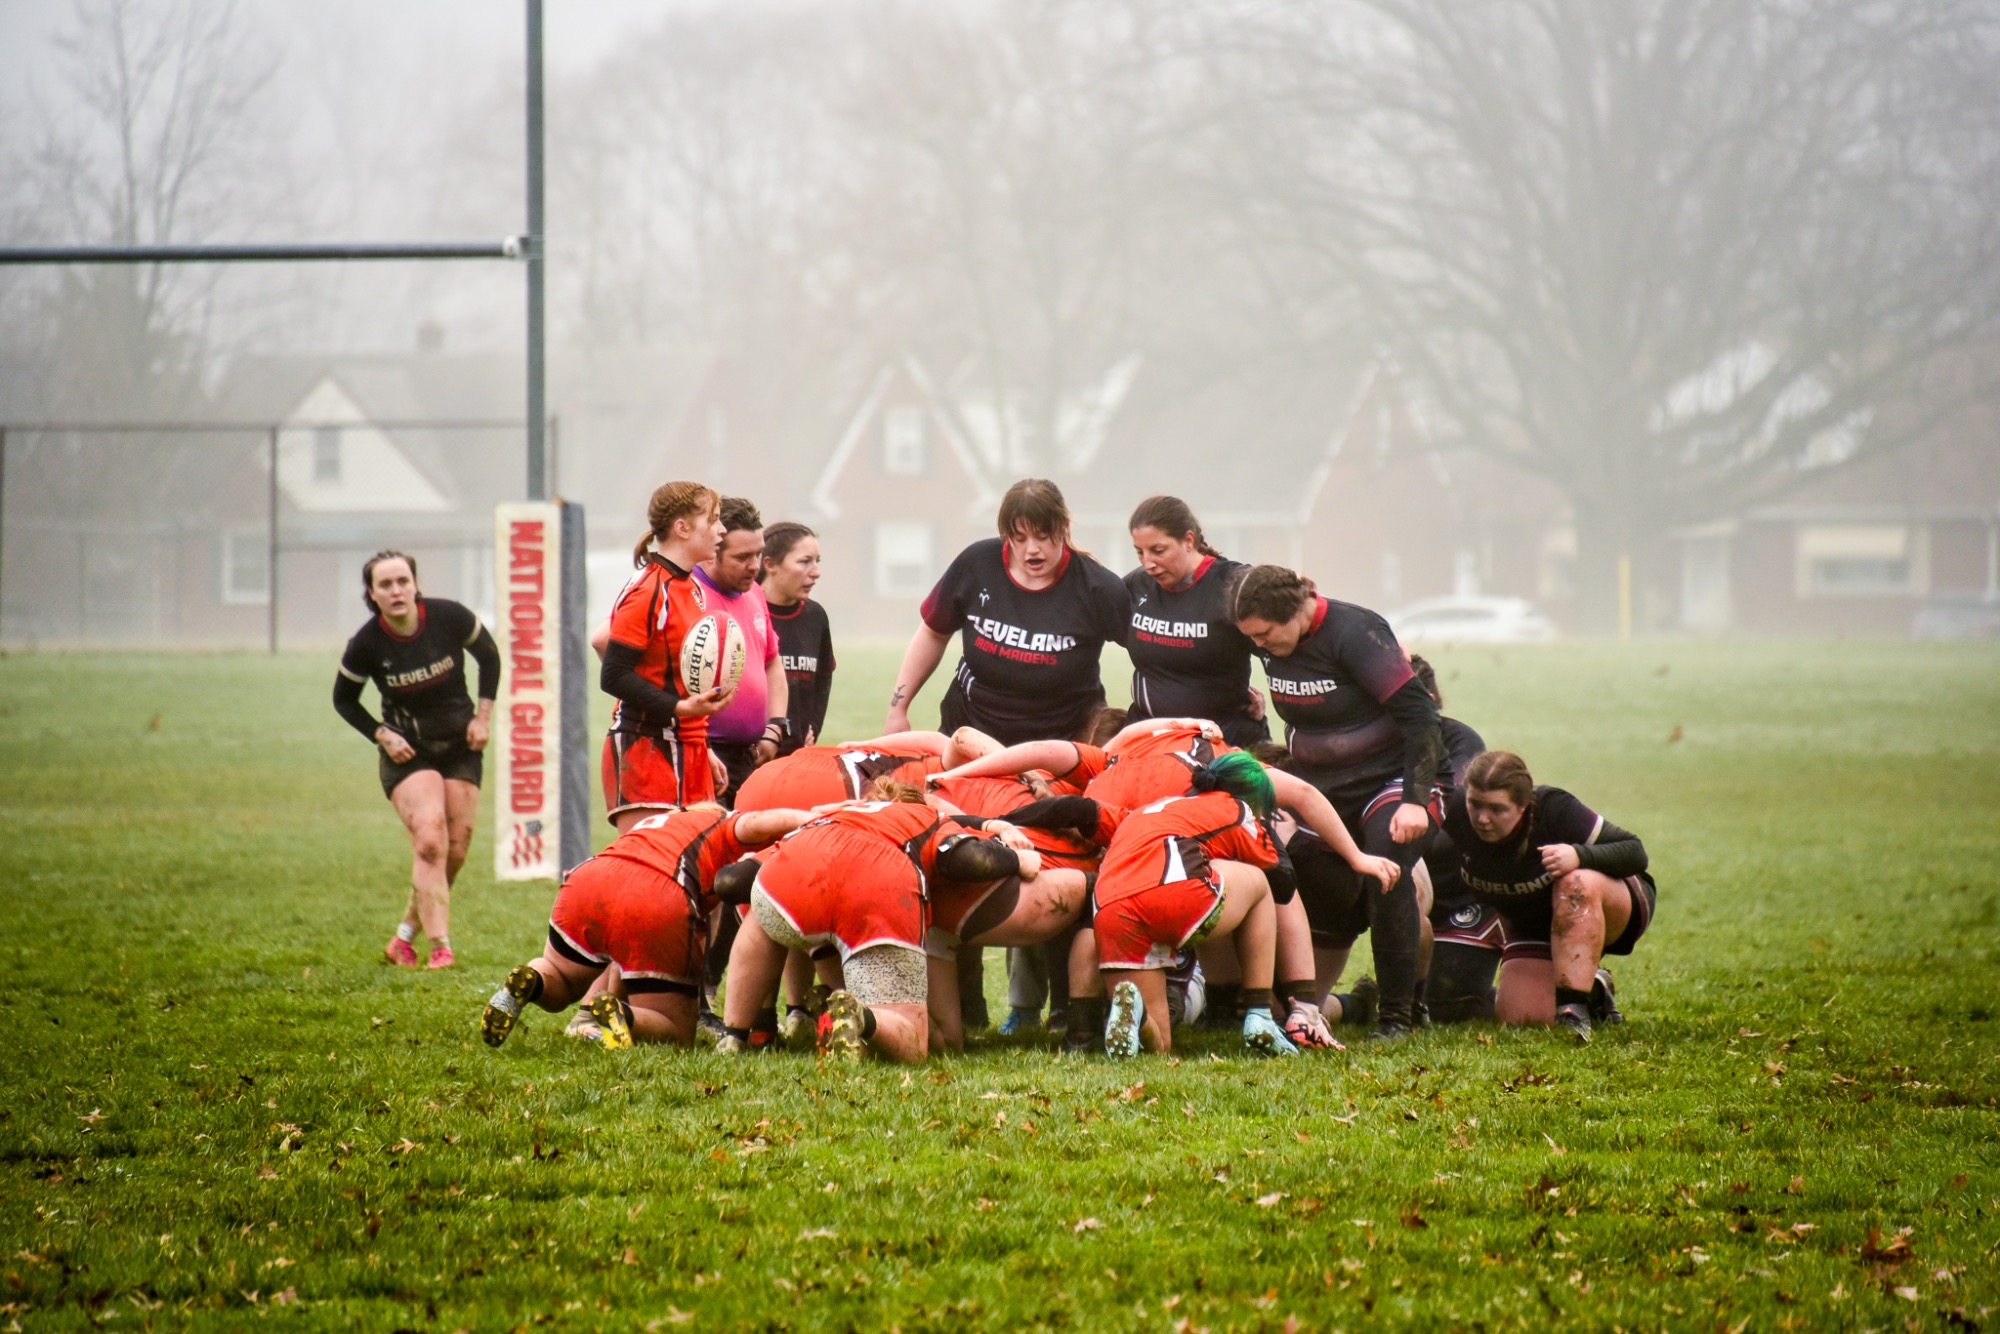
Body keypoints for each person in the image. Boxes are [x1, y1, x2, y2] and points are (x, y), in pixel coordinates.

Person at [1232, 565, 1443, 1040]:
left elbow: (1422, 718)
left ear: (1297, 611)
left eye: (1266, 635)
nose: (1261, 647)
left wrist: (1415, 799)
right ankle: (1299, 1002)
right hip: (1323, 783)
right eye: (1253, 639)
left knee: (1387, 869)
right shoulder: (1268, 635)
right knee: (1294, 866)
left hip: (1392, 780)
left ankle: (1397, 1017)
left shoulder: (1356, 632)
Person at [720, 782, 1028, 1063]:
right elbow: (970, 858)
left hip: (796, 867)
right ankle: (862, 1018)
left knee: (763, 913)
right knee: (918, 1040)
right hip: (877, 883)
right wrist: (1018, 860)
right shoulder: (926, 814)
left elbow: (732, 880)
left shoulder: (837, 812)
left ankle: (734, 1035)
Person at [479, 803, 814, 1048]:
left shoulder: (660, 821)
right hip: (657, 893)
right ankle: (622, 1016)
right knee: (677, 1029)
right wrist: (814, 819)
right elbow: (759, 820)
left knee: (561, 981)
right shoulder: (719, 820)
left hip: (589, 880)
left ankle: (529, 980)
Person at [332, 551, 498, 970]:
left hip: (460, 746)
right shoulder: (367, 643)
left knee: (453, 852)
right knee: (429, 841)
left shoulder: (449, 617)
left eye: (402, 581)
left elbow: (490, 657)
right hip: (409, 751)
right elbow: (343, 699)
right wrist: (382, 734)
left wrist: (482, 718)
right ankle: (441, 947)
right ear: (372, 594)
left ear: (415, 584)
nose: (396, 590)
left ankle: (404, 936)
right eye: (385, 585)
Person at [883, 477, 1129, 746]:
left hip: (1061, 742)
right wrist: (898, 710)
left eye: (1042, 536)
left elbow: (1148, 655)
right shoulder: (976, 566)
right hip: (971, 732)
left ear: (1064, 527)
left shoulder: (1098, 588)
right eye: (1019, 538)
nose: (1031, 549)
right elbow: (933, 633)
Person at [1439, 751, 1656, 1043]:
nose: (1482, 818)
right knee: (1522, 1019)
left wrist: (1579, 855)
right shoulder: (1454, 813)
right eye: (1475, 804)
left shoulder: (1554, 808)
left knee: (1576, 881)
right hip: (1536, 924)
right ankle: (1593, 989)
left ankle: (1574, 1011)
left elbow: (1635, 851)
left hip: (1613, 904)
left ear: (1524, 805)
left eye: (1497, 809)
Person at [600, 481, 733, 833]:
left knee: (697, 876)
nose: (721, 530)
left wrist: (703, 746)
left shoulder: (694, 587)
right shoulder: (649, 590)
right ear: (683, 528)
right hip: (645, 750)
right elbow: (612, 675)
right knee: (649, 875)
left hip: (690, 749)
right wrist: (678, 709)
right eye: (714, 519)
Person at [1123, 496, 1268, 747]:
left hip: (1224, 742)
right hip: (1149, 740)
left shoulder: (1234, 586)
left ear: (1188, 540)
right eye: (1139, 552)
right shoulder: (1136, 585)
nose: (1148, 563)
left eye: (1158, 551)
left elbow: (1283, 644)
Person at [692, 497, 789, 801]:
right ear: (711, 555)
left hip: (749, 759)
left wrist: (774, 727)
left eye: (759, 554)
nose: (755, 566)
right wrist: (697, 745)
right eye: (742, 557)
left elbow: (772, 662)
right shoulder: (686, 595)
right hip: (704, 758)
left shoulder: (754, 593)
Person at [760, 521, 835, 756]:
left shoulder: (815, 616)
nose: (816, 572)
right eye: (804, 562)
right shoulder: (745, 610)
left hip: (796, 759)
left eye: (817, 562)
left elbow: (823, 677)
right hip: (752, 756)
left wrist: (813, 726)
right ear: (770, 564)